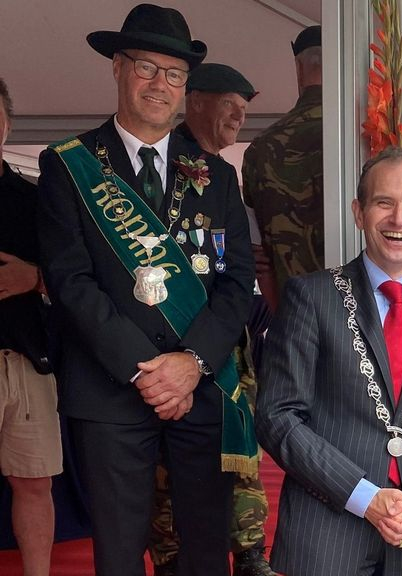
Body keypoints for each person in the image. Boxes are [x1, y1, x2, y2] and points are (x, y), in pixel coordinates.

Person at [36, 5, 256, 574]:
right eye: (146, 67)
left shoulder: (218, 174)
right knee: (118, 554)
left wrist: (191, 363)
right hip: (110, 389)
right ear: (117, 68)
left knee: (207, 551)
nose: (160, 84)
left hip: (201, 387)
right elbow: (70, 282)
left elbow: (237, 284)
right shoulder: (70, 166)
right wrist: (146, 369)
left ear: (187, 85)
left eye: (175, 74)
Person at [256, 147, 402, 576]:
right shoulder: (310, 296)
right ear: (359, 212)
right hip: (328, 536)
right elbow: (277, 416)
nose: (399, 219)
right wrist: (365, 497)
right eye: (384, 203)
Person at [143, 63, 271, 576]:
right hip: (161, 347)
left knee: (235, 447)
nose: (240, 116)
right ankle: (172, 555)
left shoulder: (222, 174)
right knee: (165, 467)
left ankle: (248, 548)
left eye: (245, 108)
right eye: (230, 104)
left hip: (220, 349)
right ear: (193, 100)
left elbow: (236, 271)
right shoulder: (154, 163)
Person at [0, 76, 62, 576]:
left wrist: (34, 276)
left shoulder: (33, 197)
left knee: (35, 481)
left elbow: (73, 277)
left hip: (27, 359)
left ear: (7, 124)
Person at [243, 25, 323, 312]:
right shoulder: (365, 137)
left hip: (294, 312)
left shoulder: (260, 149)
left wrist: (281, 318)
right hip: (363, 317)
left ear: (298, 68)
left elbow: (258, 256)